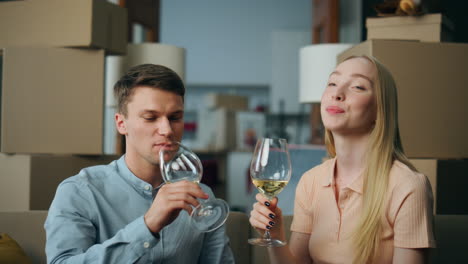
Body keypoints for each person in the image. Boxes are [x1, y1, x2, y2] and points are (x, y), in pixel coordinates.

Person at [249, 56, 435, 264]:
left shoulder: (408, 186)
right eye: (332, 83)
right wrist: (276, 236)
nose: (337, 94)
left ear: (379, 109)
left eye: (357, 86)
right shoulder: (311, 181)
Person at [45, 64, 234, 263]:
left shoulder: (202, 197)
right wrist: (148, 225)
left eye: (175, 117)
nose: (167, 130)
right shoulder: (80, 192)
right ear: (121, 123)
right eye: (150, 118)